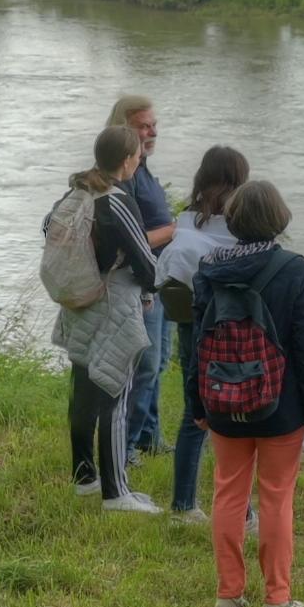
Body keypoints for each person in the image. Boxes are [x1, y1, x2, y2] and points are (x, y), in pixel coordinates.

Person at [188, 178, 304, 607]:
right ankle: (277, 598)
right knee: (275, 497)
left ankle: (228, 594)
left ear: (232, 221)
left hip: (222, 400)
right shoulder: (292, 268)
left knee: (228, 494)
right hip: (280, 403)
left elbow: (195, 344)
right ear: (279, 219)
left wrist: (197, 403)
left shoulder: (207, 268)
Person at [50, 124, 163, 514]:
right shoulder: (117, 200)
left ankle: (85, 478)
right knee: (116, 393)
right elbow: (146, 260)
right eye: (136, 156)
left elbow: (47, 229)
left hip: (79, 301)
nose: (138, 161)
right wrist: (151, 288)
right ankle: (117, 493)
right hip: (114, 305)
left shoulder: (76, 192)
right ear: (127, 161)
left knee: (83, 388)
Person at [156, 144, 250, 520]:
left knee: (194, 415)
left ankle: (183, 503)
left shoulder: (186, 220)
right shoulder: (240, 225)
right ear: (240, 180)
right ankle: (241, 511)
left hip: (190, 326)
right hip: (232, 331)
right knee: (238, 419)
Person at [107, 92, 178, 458]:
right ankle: (127, 447)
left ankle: (150, 437)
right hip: (139, 285)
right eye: (143, 126)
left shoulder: (143, 165)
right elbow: (130, 240)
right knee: (145, 365)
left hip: (161, 278)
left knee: (161, 361)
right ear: (123, 128)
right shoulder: (124, 175)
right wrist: (176, 230)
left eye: (154, 125)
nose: (152, 132)